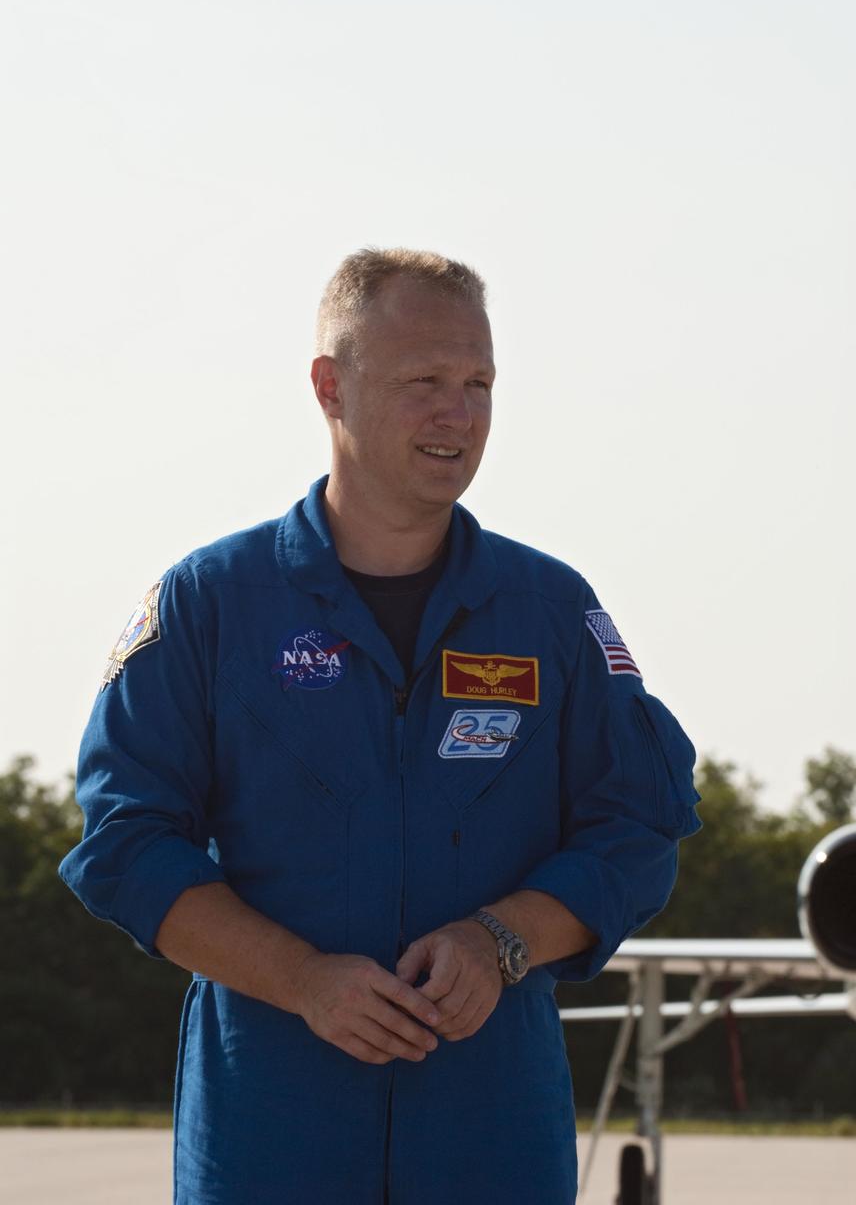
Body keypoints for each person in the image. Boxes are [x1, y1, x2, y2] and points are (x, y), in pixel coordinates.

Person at [60, 247, 701, 1204]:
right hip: (270, 1135)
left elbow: (640, 825)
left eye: (479, 382)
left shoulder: (551, 611)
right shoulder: (212, 605)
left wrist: (503, 940)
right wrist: (306, 981)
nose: (461, 413)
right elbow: (126, 843)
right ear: (330, 387)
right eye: (423, 382)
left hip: (493, 1135)